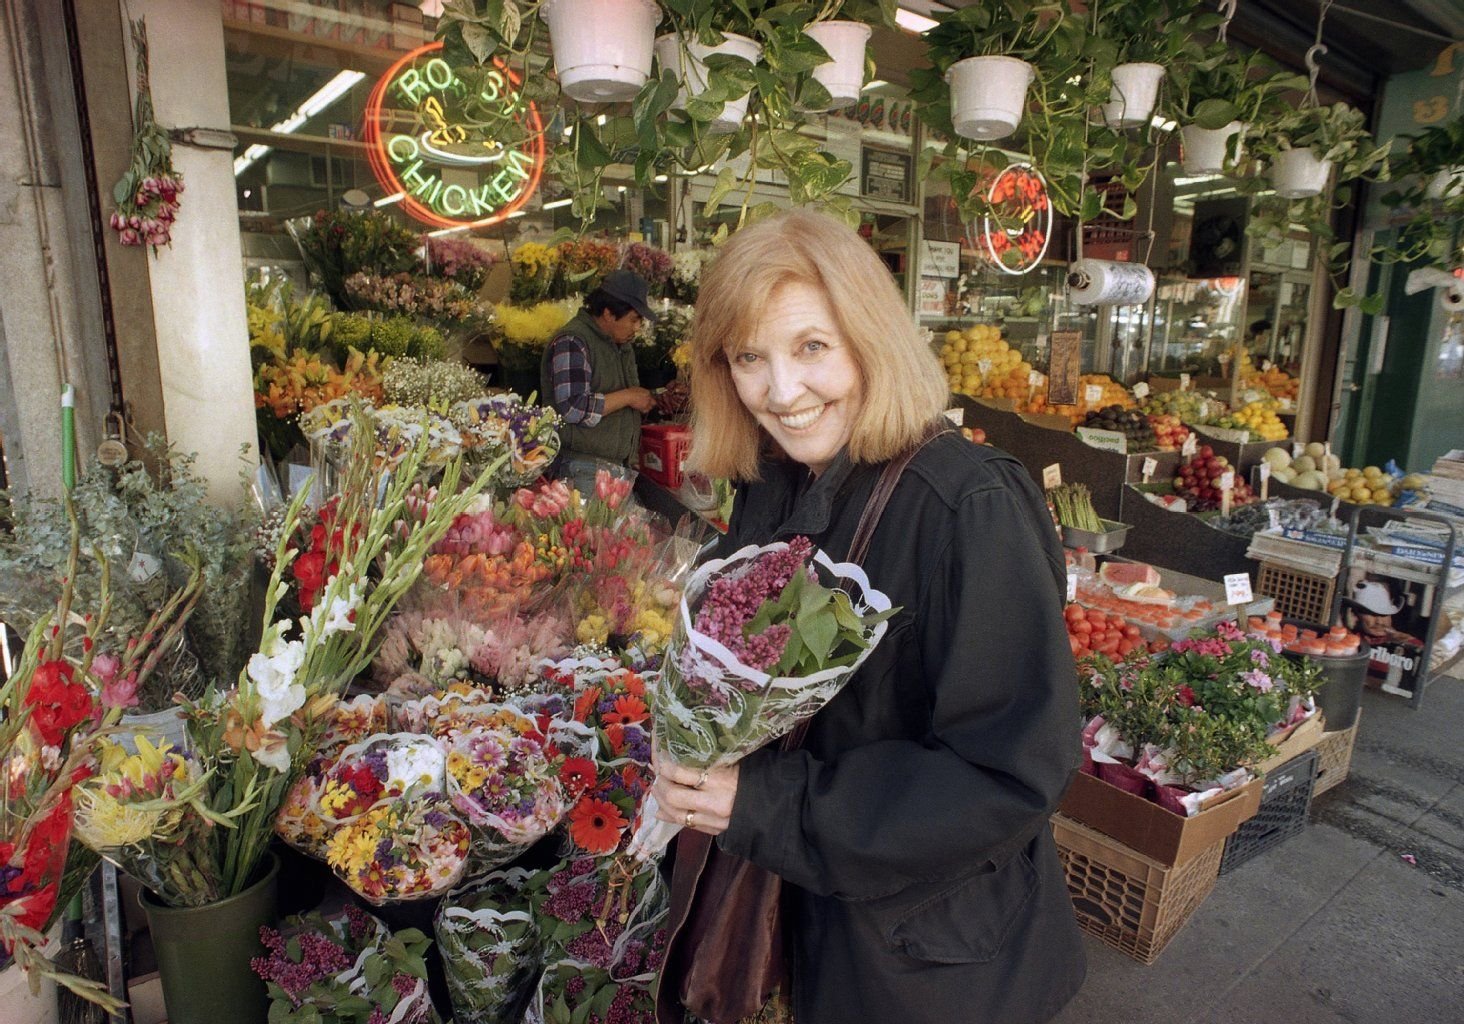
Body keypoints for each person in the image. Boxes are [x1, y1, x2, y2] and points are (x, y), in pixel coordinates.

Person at [650, 209, 1086, 1024]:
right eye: (749, 357)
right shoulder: (774, 481)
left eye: (813, 346)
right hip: (799, 914)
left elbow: (1011, 773)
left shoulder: (966, 505)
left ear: (871, 336)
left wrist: (763, 805)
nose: (783, 392)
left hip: (920, 959)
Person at [540, 268, 658, 496]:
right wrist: (629, 397)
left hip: (615, 469)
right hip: (581, 470)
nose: (637, 328)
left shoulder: (619, 344)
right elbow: (573, 406)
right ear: (608, 313)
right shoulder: (573, 341)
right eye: (634, 319)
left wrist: (651, 399)